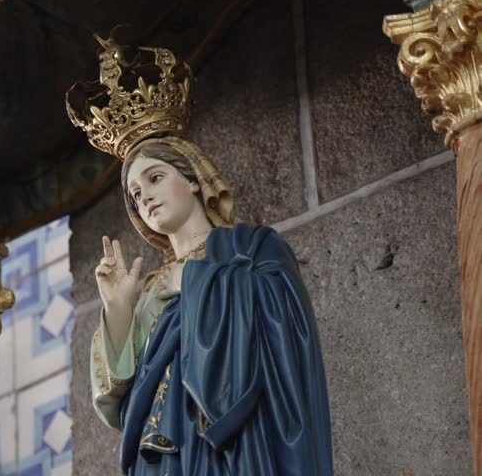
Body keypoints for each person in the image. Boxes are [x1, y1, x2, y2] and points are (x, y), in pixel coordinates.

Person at [90, 135, 334, 475]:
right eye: (134, 193)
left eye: (155, 178)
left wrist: (193, 281)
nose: (143, 195)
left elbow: (286, 321)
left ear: (192, 180)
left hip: (232, 440)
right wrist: (118, 310)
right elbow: (118, 402)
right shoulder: (150, 287)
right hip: (162, 455)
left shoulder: (251, 247)